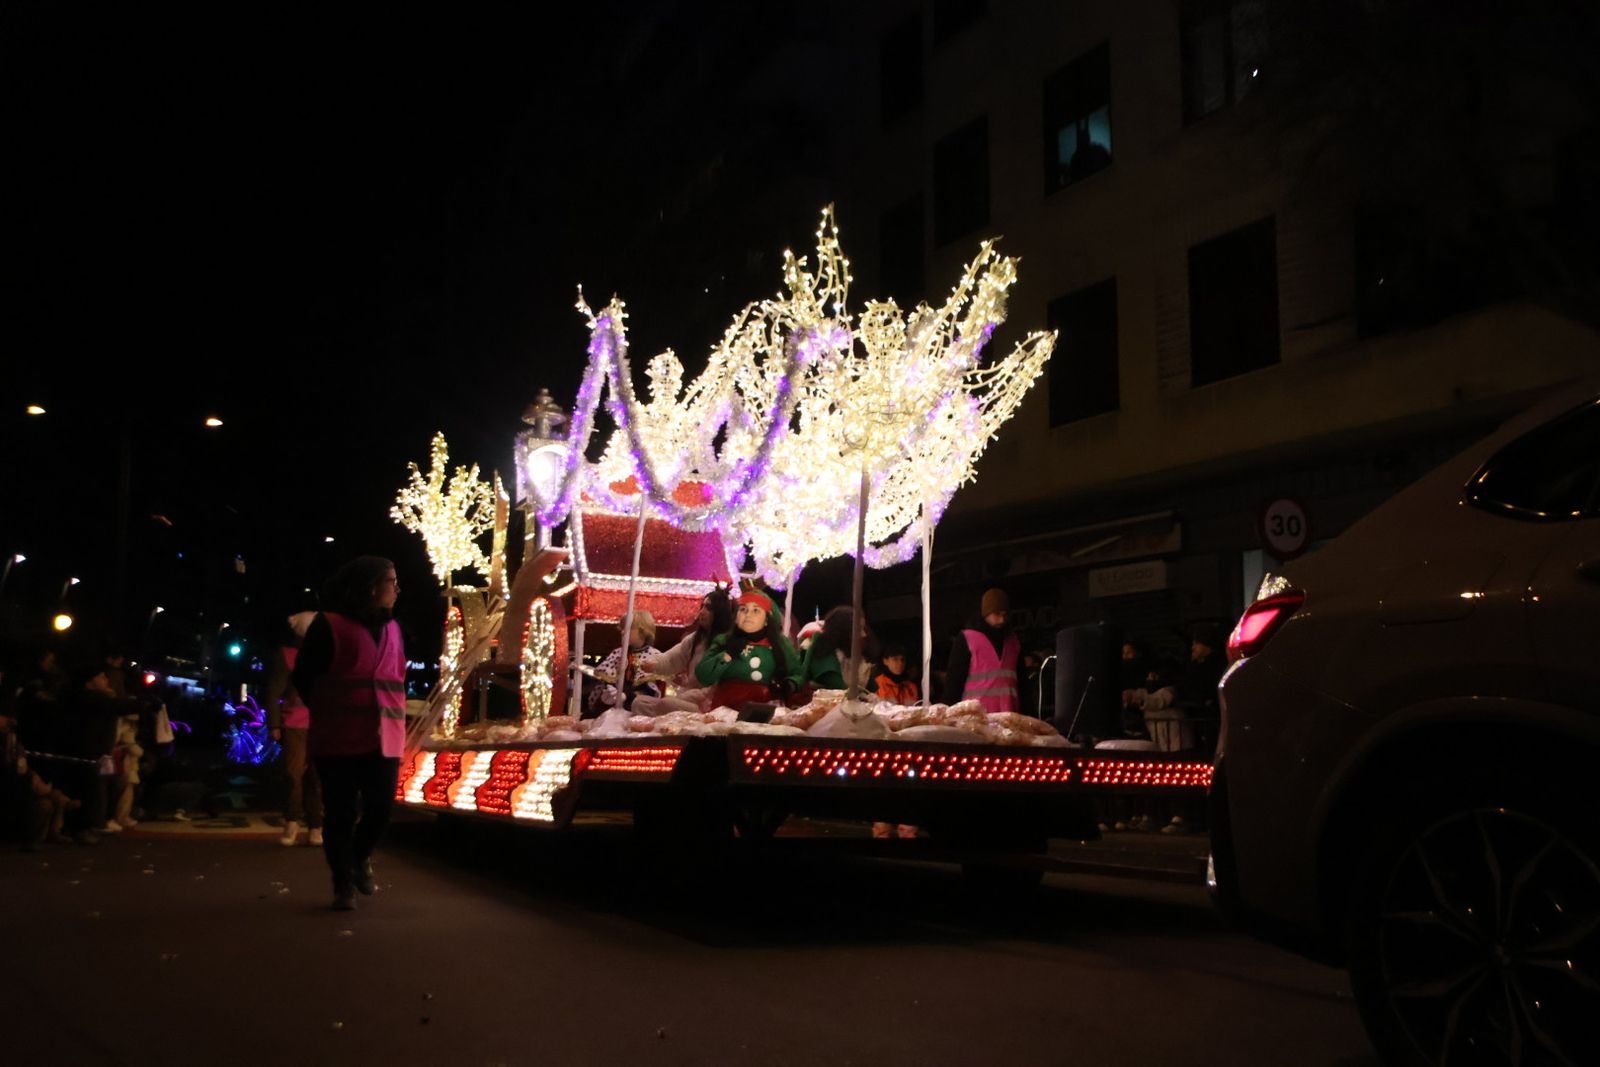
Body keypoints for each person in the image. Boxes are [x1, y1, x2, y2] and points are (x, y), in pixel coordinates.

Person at [293, 556, 406, 911]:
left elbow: (396, 676)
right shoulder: (329, 625)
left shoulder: (393, 628)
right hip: (338, 737)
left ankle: (358, 858)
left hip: (384, 736)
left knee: (380, 809)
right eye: (391, 581)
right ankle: (343, 884)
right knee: (340, 813)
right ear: (371, 587)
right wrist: (328, 709)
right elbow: (304, 677)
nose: (397, 589)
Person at [265, 611, 323, 848]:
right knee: (293, 775)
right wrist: (274, 724)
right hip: (295, 724)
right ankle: (292, 821)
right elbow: (274, 691)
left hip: (322, 724)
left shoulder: (327, 656)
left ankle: (315, 825)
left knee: (316, 777)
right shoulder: (287, 655)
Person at [694, 588, 801, 710]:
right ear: (736, 618)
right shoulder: (724, 641)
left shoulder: (780, 644)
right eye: (743, 609)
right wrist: (727, 655)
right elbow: (703, 676)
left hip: (765, 709)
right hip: (727, 708)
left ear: (766, 620)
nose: (748, 615)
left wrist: (789, 685)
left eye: (756, 610)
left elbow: (798, 673)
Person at [633, 588, 732, 716]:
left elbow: (713, 690)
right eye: (702, 607)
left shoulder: (728, 643)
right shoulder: (695, 639)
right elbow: (671, 659)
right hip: (686, 700)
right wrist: (653, 663)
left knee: (667, 704)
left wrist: (683, 697)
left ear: (720, 613)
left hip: (709, 707)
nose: (702, 612)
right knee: (639, 702)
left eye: (708, 608)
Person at [943, 588, 1021, 713]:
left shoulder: (1013, 642)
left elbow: (1022, 684)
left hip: (1008, 718)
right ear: (986, 613)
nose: (1002, 619)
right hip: (975, 718)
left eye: (1005, 615)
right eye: (997, 614)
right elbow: (954, 683)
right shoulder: (967, 639)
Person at [588, 610, 663, 713]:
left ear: (642, 630)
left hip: (637, 711)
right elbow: (605, 683)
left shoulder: (654, 656)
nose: (622, 632)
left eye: (628, 628)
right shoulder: (617, 654)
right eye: (622, 628)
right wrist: (605, 698)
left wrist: (627, 696)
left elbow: (650, 692)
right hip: (612, 710)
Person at [800, 606, 874, 694]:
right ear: (843, 631)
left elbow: (873, 690)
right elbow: (842, 690)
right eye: (859, 629)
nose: (864, 634)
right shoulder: (823, 654)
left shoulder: (855, 656)